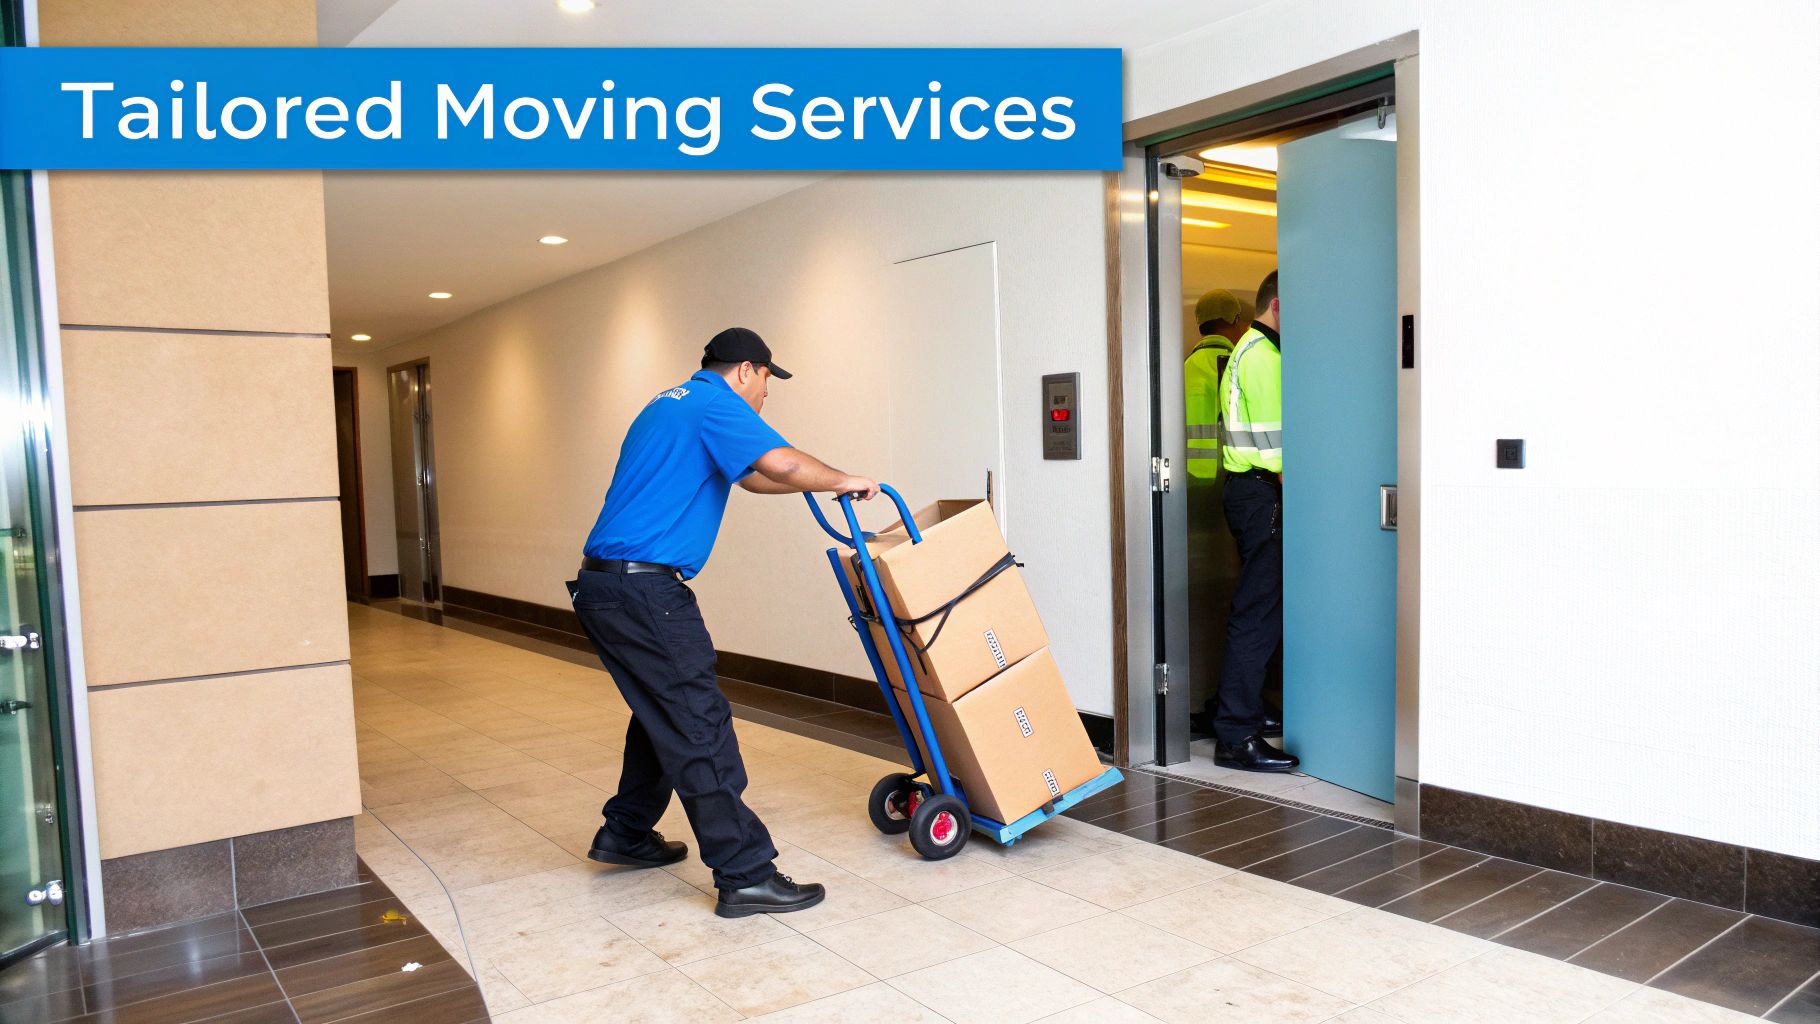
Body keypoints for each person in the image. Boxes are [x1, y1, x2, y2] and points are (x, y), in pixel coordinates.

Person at [569, 326, 879, 918]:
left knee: (662, 714)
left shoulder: (671, 403)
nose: (766, 394)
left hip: (606, 585)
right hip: (645, 590)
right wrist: (843, 478)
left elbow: (756, 475)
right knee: (697, 722)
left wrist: (803, 483)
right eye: (767, 381)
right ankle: (745, 873)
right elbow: (781, 461)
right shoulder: (717, 401)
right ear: (745, 371)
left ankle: (626, 833)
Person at [1208, 272, 1299, 772]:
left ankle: (1247, 715)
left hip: (1249, 495)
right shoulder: (1264, 357)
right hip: (1263, 493)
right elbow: (1276, 449)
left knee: (1259, 610)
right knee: (1258, 614)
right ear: (1279, 305)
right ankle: (1236, 735)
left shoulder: (1250, 349)